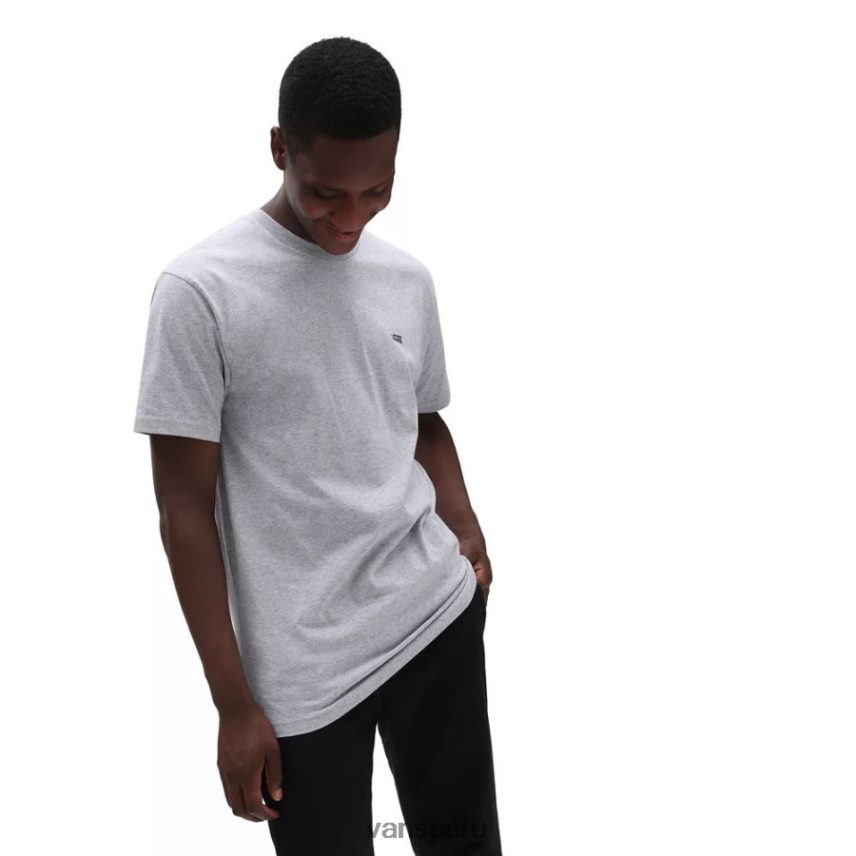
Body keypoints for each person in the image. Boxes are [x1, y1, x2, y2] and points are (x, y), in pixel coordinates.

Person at [133, 36, 502, 855]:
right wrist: (232, 703)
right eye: (327, 193)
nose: (351, 218)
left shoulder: (406, 279)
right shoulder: (200, 292)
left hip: (432, 615)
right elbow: (184, 510)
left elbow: (422, 421)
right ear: (279, 149)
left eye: (377, 191)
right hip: (302, 670)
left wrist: (464, 524)